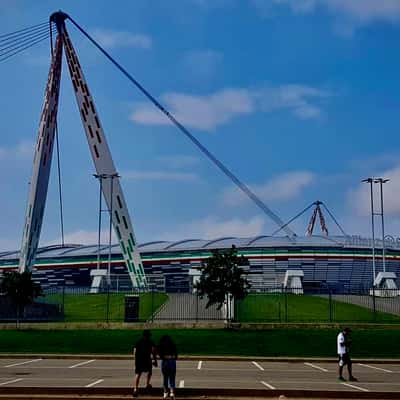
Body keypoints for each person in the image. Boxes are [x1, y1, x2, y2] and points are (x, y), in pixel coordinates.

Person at [133, 330, 157, 397]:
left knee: (138, 374)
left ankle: (135, 388)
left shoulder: (138, 342)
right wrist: (154, 360)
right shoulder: (151, 342)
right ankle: (147, 384)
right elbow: (153, 351)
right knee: (149, 371)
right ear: (149, 335)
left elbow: (134, 352)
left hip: (139, 360)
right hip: (147, 359)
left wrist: (135, 361)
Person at [158, 335, 178, 399]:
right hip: (172, 361)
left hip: (165, 362)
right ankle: (172, 392)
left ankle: (165, 392)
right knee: (172, 377)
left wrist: (165, 357)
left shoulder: (162, 346)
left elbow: (160, 355)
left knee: (165, 377)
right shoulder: (173, 345)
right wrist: (171, 357)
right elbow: (176, 356)